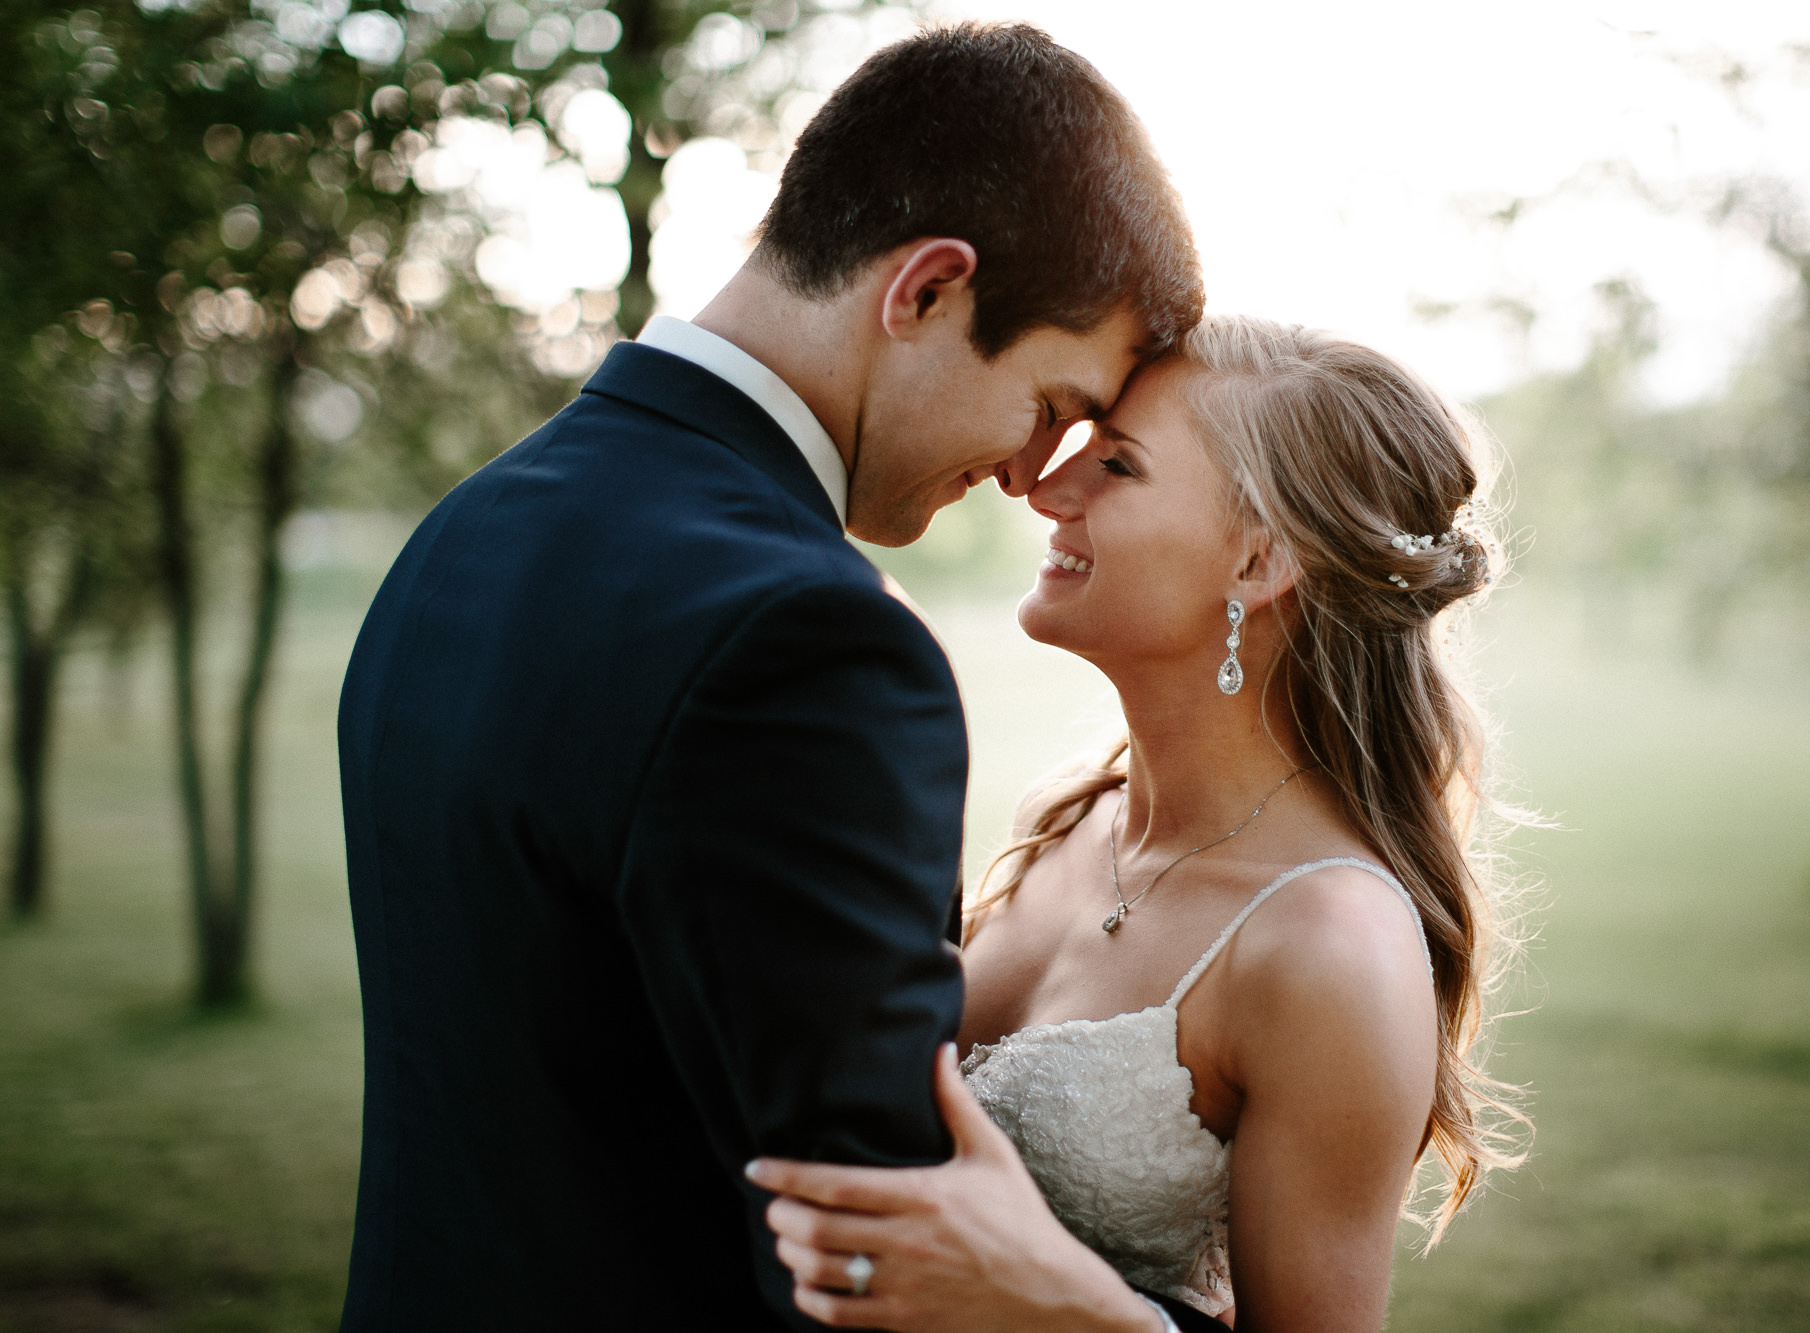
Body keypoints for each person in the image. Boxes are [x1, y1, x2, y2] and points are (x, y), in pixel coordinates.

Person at [334, 23, 1211, 1333]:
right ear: (927, 290)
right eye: (1047, 405)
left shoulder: (470, 528)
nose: (1034, 478)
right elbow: (876, 1263)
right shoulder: (807, 641)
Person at [749, 317, 1530, 1332]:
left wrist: (1054, 1303)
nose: (1043, 488)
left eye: (1114, 463)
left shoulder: (1327, 946)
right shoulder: (1071, 817)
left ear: (1257, 562)